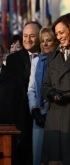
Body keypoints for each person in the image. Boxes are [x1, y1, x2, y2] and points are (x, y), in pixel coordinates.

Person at [6, 21, 42, 165]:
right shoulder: (12, 59)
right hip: (21, 115)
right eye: (25, 36)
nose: (27, 39)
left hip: (43, 112)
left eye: (32, 36)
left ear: (39, 36)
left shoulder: (49, 56)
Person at [41, 13, 70, 165]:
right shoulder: (53, 56)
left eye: (62, 32)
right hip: (55, 117)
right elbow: (45, 85)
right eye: (57, 33)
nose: (59, 37)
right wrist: (52, 93)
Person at [27, 27, 58, 165]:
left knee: (55, 156)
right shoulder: (36, 61)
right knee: (38, 157)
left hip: (56, 113)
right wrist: (34, 110)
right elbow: (32, 88)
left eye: (49, 40)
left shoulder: (61, 60)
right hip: (39, 111)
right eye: (43, 41)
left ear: (55, 42)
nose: (45, 44)